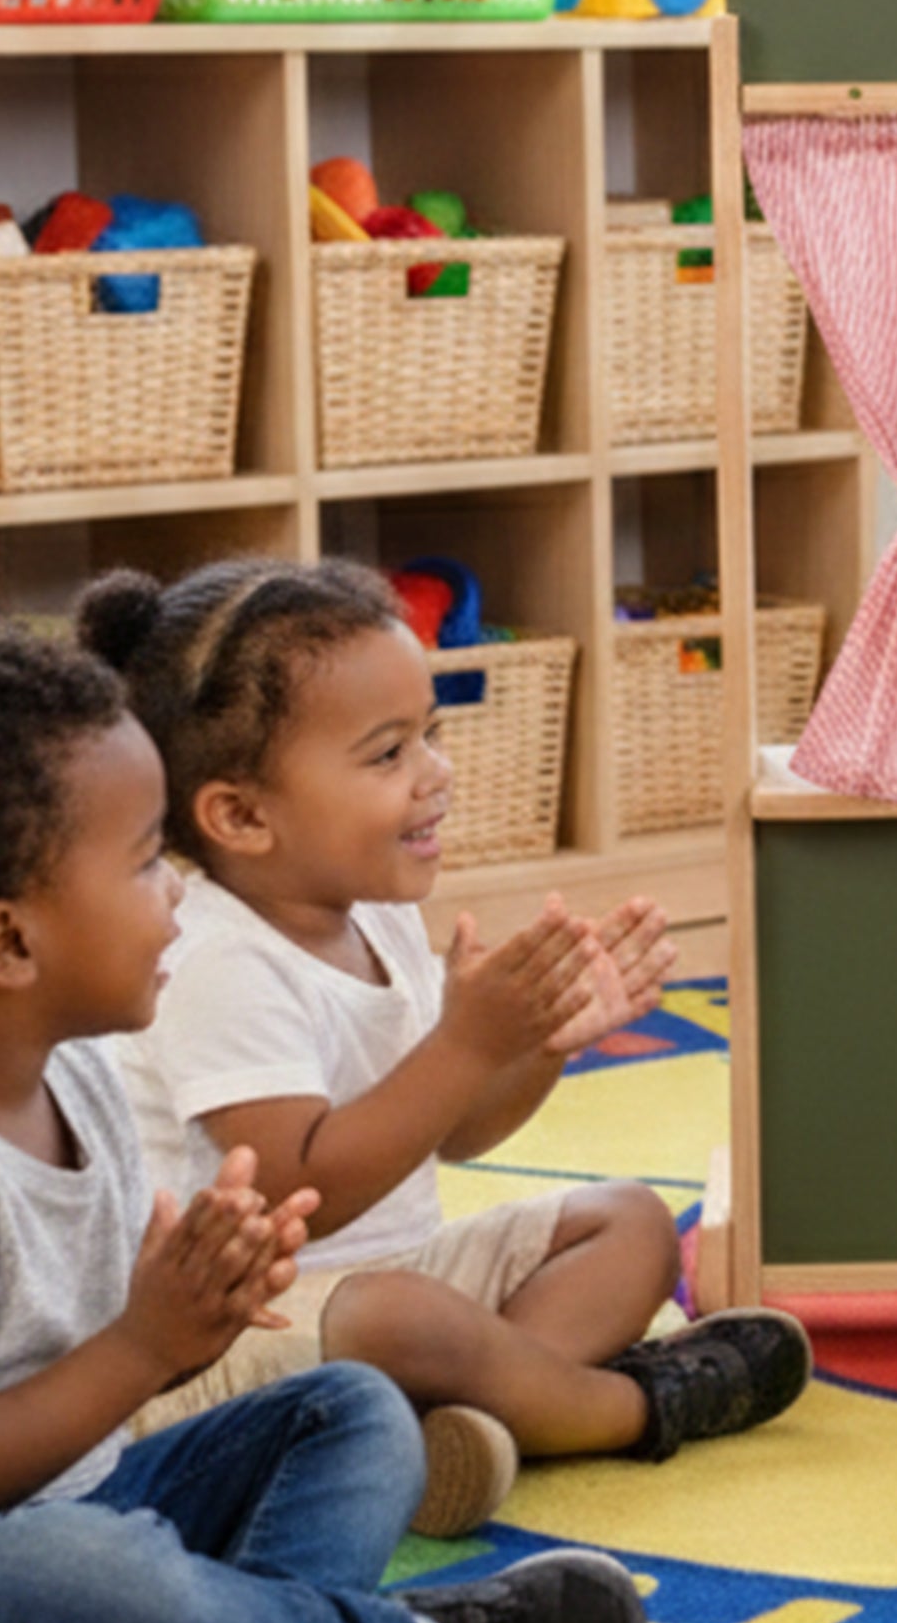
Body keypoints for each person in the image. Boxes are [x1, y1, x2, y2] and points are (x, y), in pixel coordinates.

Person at [0, 623, 649, 1623]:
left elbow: (79, 1359)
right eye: (147, 865)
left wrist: (190, 1300)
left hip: (88, 1500)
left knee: (353, 1413)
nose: (178, 895)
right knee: (87, 1578)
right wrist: (146, 1348)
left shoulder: (78, 1073)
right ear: (9, 943)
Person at [83, 560, 810, 1540]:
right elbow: (294, 1190)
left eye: (432, 733)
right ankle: (630, 1407)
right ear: (242, 816)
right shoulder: (213, 958)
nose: (437, 772)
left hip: (400, 1283)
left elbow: (455, 1132)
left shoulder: (374, 914)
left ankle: (468, 1426)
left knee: (631, 1223)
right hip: (231, 1335)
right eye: (388, 754)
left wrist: (536, 1044)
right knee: (406, 1320)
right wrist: (466, 1044)